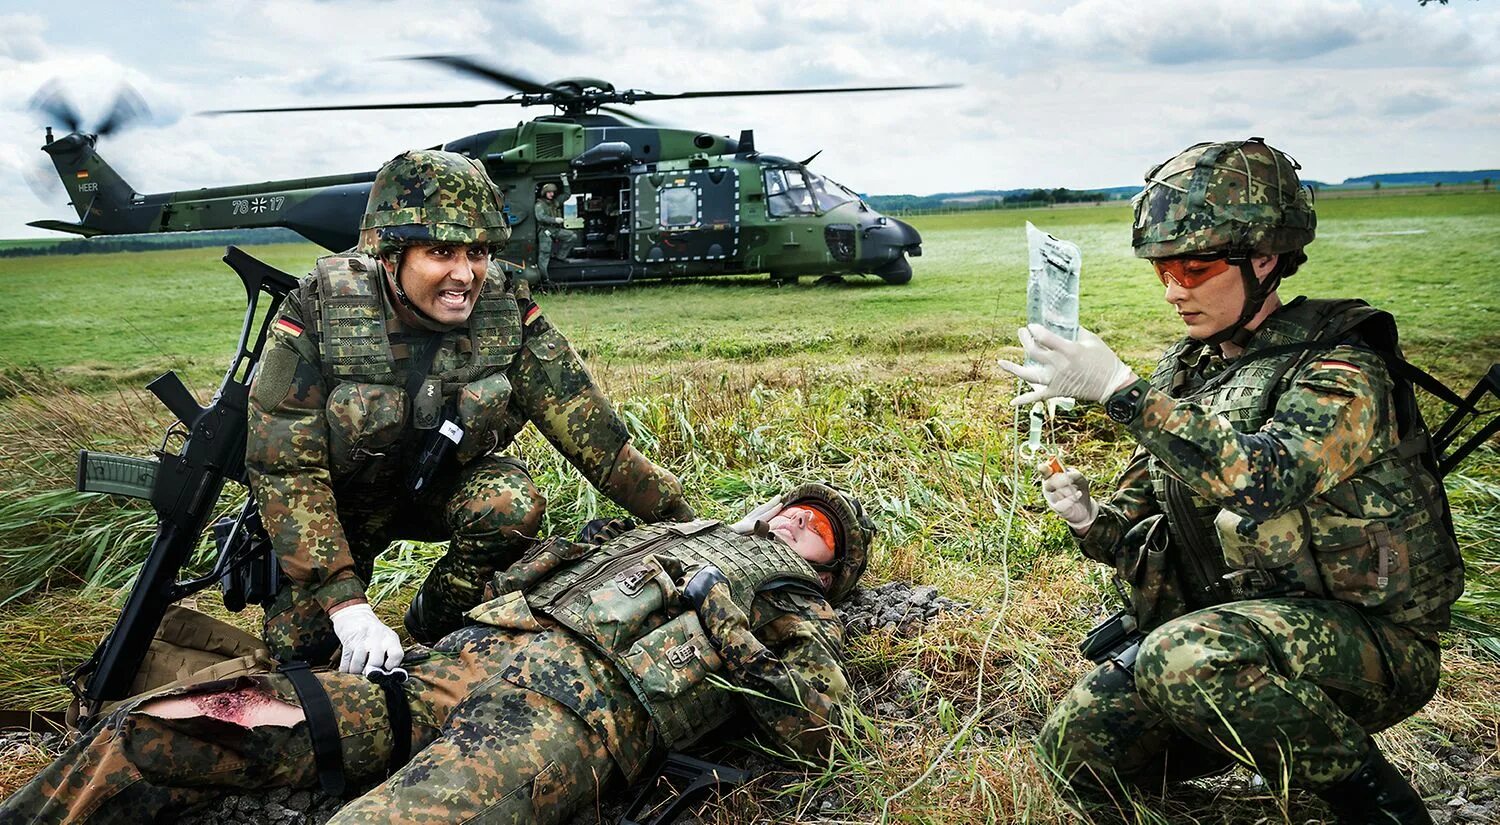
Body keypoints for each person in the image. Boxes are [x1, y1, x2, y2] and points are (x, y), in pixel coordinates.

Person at [997, 138, 1463, 824]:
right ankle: (1264, 739)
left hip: (1372, 643)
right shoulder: (1189, 372)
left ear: (1265, 258)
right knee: (1075, 750)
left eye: (1196, 265)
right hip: (1235, 635)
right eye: (1162, 270)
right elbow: (1139, 519)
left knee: (1185, 656)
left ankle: (1380, 806)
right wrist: (1087, 513)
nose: (1175, 289)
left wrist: (1120, 390)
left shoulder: (1339, 368)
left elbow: (1263, 481)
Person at [0, 483, 872, 825]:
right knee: (168, 725)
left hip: (569, 715)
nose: (801, 523)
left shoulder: (787, 595)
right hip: (452, 665)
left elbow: (822, 730)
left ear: (828, 570)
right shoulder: (670, 527)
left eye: (822, 533)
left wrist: (725, 616)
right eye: (799, 508)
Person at [246, 149, 694, 674]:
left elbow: (596, 436)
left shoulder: (505, 308)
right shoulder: (320, 312)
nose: (465, 275)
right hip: (342, 507)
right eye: (441, 252)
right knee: (301, 652)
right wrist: (348, 607)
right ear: (392, 256)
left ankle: (434, 621)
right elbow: (286, 471)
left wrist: (685, 526)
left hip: (440, 487)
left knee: (508, 502)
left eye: (478, 252)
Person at [534, 177, 576, 284]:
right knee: (544, 254)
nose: (551, 194)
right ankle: (544, 279)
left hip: (555, 230)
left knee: (572, 236)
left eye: (553, 192)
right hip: (545, 232)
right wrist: (555, 220)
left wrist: (565, 181)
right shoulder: (539, 205)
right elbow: (540, 217)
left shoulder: (555, 202)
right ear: (544, 193)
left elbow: (567, 195)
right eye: (549, 192)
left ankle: (560, 257)